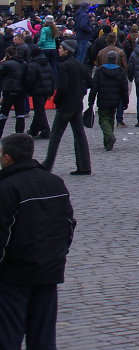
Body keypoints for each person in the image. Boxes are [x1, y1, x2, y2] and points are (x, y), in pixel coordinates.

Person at [0, 133, 74, 350]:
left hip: (14, 276)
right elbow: (68, 225)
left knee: (8, 338)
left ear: (7, 158)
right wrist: (58, 255)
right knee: (43, 339)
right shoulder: (55, 182)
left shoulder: (6, 188)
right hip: (48, 271)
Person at [43, 39, 91, 175]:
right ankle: (85, 166)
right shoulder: (79, 65)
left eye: (60, 48)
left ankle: (47, 165)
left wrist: (57, 100)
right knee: (80, 135)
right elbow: (90, 82)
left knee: (55, 136)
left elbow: (62, 87)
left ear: (66, 50)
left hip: (65, 105)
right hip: (77, 104)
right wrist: (80, 90)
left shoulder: (64, 66)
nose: (58, 50)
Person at [89, 50, 129, 152]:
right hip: (115, 100)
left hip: (103, 99)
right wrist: (125, 101)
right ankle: (107, 141)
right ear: (116, 59)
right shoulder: (121, 71)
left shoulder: (100, 71)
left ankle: (109, 137)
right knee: (111, 119)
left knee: (103, 120)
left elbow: (94, 88)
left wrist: (91, 101)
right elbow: (125, 88)